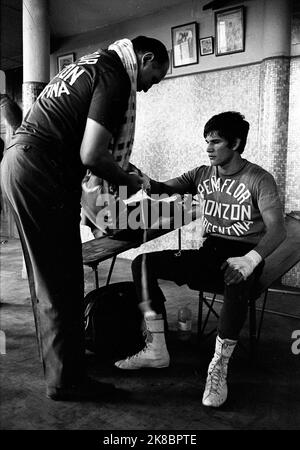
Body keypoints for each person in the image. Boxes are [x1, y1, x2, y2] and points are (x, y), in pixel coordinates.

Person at [0, 36, 169, 401]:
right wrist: (131, 181)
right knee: (62, 280)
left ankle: (64, 370)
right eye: (155, 77)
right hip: (40, 169)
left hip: (21, 162)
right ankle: (67, 381)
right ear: (146, 58)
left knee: (49, 279)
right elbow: (92, 154)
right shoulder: (114, 75)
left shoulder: (89, 64)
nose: (149, 87)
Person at [115, 111, 286, 408]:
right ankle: (155, 348)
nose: (208, 148)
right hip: (210, 252)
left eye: (216, 142)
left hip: (243, 254)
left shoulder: (259, 179)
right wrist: (142, 180)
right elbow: (164, 188)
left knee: (236, 277)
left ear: (235, 143)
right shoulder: (201, 174)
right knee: (142, 262)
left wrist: (250, 260)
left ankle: (219, 366)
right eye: (206, 141)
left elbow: (279, 229)